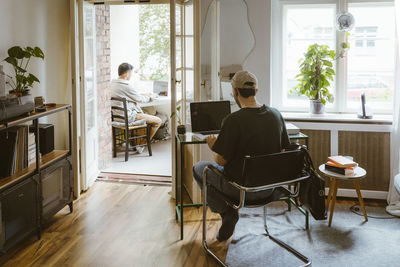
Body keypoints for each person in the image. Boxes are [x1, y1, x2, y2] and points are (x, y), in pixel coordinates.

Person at [192, 70, 290, 241]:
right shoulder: (276, 115)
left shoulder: (232, 120)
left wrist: (215, 147)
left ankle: (227, 212)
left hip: (242, 191)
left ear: (235, 92)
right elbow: (282, 153)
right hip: (270, 189)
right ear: (256, 91)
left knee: (200, 168)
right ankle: (229, 212)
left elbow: (221, 161)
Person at [110, 63, 162, 150]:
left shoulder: (113, 84)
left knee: (144, 114)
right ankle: (141, 145)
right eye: (131, 73)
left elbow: (130, 95)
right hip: (128, 117)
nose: (132, 75)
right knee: (158, 121)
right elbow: (140, 99)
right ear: (127, 73)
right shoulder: (126, 86)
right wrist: (151, 97)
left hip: (116, 116)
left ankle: (136, 142)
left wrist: (143, 94)